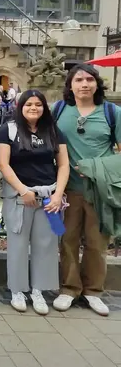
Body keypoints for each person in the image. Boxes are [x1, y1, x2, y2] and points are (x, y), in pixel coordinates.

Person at [52, 64, 121, 316]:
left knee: (97, 242)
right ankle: (69, 288)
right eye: (78, 79)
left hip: (100, 190)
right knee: (67, 240)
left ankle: (93, 291)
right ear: (70, 85)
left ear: (96, 84)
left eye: (89, 79)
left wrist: (96, 168)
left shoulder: (112, 112)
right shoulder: (59, 110)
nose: (84, 84)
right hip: (68, 189)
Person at [0, 90, 70, 315]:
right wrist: (22, 190)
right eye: (28, 104)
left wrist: (58, 194)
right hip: (20, 197)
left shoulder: (53, 131)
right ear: (20, 107)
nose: (33, 108)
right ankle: (17, 290)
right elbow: (3, 164)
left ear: (44, 107)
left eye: (38, 104)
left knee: (46, 244)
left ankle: (39, 289)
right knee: (17, 244)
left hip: (48, 197)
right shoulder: (8, 130)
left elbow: (63, 164)